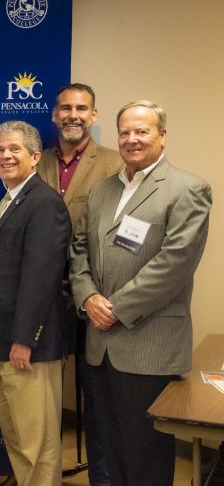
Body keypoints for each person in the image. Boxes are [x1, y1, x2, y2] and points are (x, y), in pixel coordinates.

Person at [70, 101, 212, 486]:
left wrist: (116, 307)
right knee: (110, 454)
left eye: (142, 131)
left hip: (148, 346)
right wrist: (87, 297)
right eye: (125, 132)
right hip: (100, 347)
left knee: (145, 459)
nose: (131, 139)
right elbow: (79, 249)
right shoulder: (102, 191)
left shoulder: (188, 189)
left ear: (162, 136)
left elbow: (175, 263)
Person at [0, 121, 71, 486]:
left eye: (14, 149)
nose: (6, 156)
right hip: (1, 344)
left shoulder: (44, 204)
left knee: (36, 446)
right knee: (16, 440)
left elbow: (40, 279)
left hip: (26, 349)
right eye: (0, 150)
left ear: (34, 156)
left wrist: (24, 340)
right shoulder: (10, 200)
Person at [38, 83, 122, 486]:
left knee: (97, 401)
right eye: (65, 108)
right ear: (54, 114)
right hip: (44, 299)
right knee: (42, 397)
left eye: (81, 108)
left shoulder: (114, 162)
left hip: (91, 297)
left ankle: (102, 480)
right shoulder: (37, 161)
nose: (73, 115)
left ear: (94, 115)